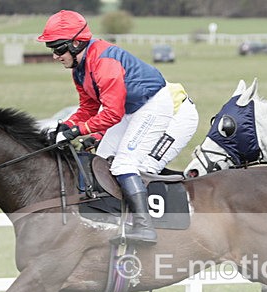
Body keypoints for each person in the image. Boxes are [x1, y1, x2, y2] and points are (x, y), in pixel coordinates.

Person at [38, 10, 175, 244]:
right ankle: (113, 218)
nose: (55, 55)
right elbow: (89, 108)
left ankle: (145, 226)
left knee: (123, 164)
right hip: (131, 109)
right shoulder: (79, 70)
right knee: (100, 161)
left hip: (152, 105)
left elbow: (112, 113)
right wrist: (64, 126)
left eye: (59, 48)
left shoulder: (103, 63)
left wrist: (76, 131)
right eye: (51, 49)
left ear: (76, 43)